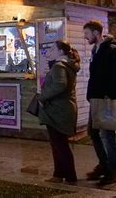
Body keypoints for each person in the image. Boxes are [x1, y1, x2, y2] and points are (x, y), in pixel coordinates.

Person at [38, 41, 80, 184]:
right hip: (63, 108)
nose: (50, 50)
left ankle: (69, 177)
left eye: (53, 48)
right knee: (58, 144)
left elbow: (60, 85)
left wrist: (43, 97)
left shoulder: (59, 66)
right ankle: (59, 174)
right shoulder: (67, 65)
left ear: (60, 51)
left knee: (60, 145)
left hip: (58, 110)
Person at [84, 20, 116, 185]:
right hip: (95, 99)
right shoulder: (95, 50)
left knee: (107, 135)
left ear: (96, 33)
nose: (85, 37)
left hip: (105, 100)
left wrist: (108, 95)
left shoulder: (111, 50)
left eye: (87, 34)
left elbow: (114, 76)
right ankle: (104, 164)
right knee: (93, 132)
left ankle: (112, 170)